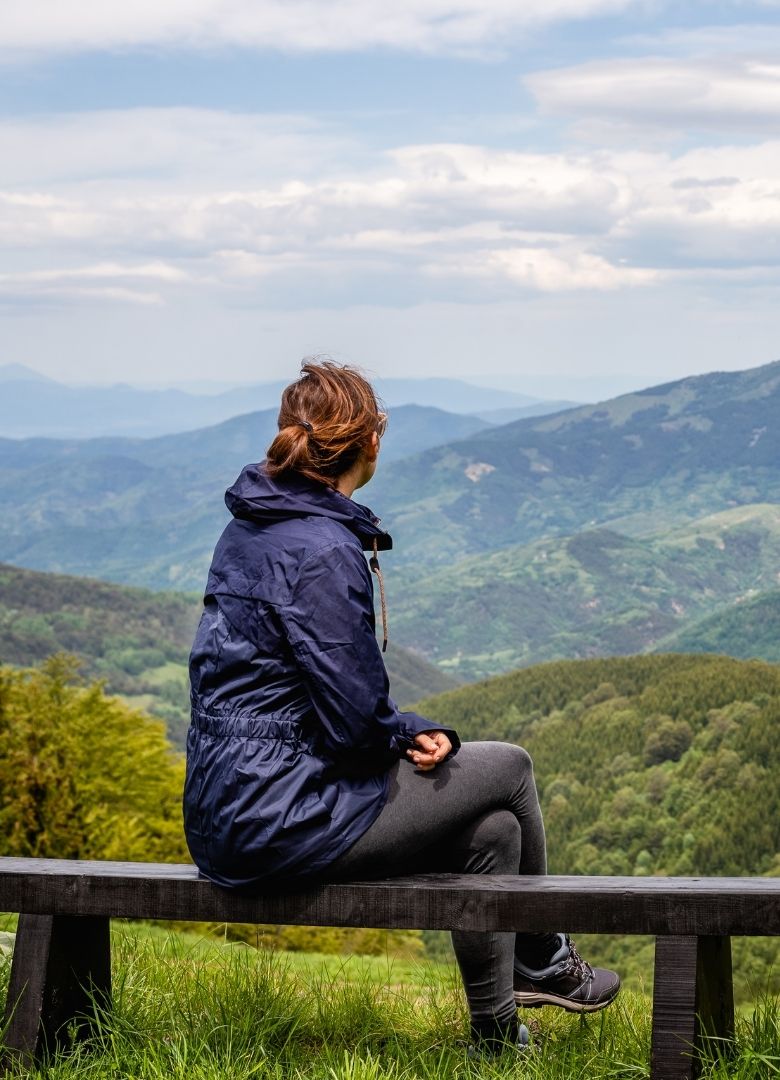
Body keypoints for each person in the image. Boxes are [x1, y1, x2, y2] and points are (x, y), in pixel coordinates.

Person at [183, 360, 620, 1055]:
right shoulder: (322, 548)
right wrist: (411, 730)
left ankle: (498, 1040)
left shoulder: (254, 526)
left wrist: (399, 732)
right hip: (278, 817)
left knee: (495, 834)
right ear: (370, 442)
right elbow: (355, 725)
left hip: (223, 809)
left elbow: (306, 694)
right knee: (510, 767)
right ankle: (544, 953)